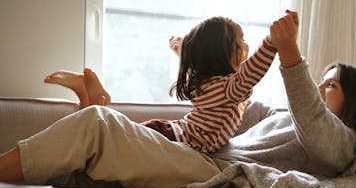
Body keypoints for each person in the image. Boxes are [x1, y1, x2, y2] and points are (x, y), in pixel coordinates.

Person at [0, 10, 356, 188]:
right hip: (198, 156)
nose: (320, 90)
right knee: (87, 164)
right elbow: (232, 88)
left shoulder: (341, 142)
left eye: (331, 85)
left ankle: (96, 107)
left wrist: (285, 51)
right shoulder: (291, 117)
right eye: (322, 83)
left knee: (98, 127)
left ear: (354, 100)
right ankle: (97, 103)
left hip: (211, 169)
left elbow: (305, 115)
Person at [45, 16, 277, 154]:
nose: (246, 47)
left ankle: (86, 97)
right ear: (222, 54)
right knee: (111, 145)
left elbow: (208, 63)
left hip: (168, 133)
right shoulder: (227, 89)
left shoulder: (208, 85)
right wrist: (272, 42)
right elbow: (251, 72)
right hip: (171, 139)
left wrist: (183, 49)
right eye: (240, 43)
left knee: (108, 144)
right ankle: (98, 103)